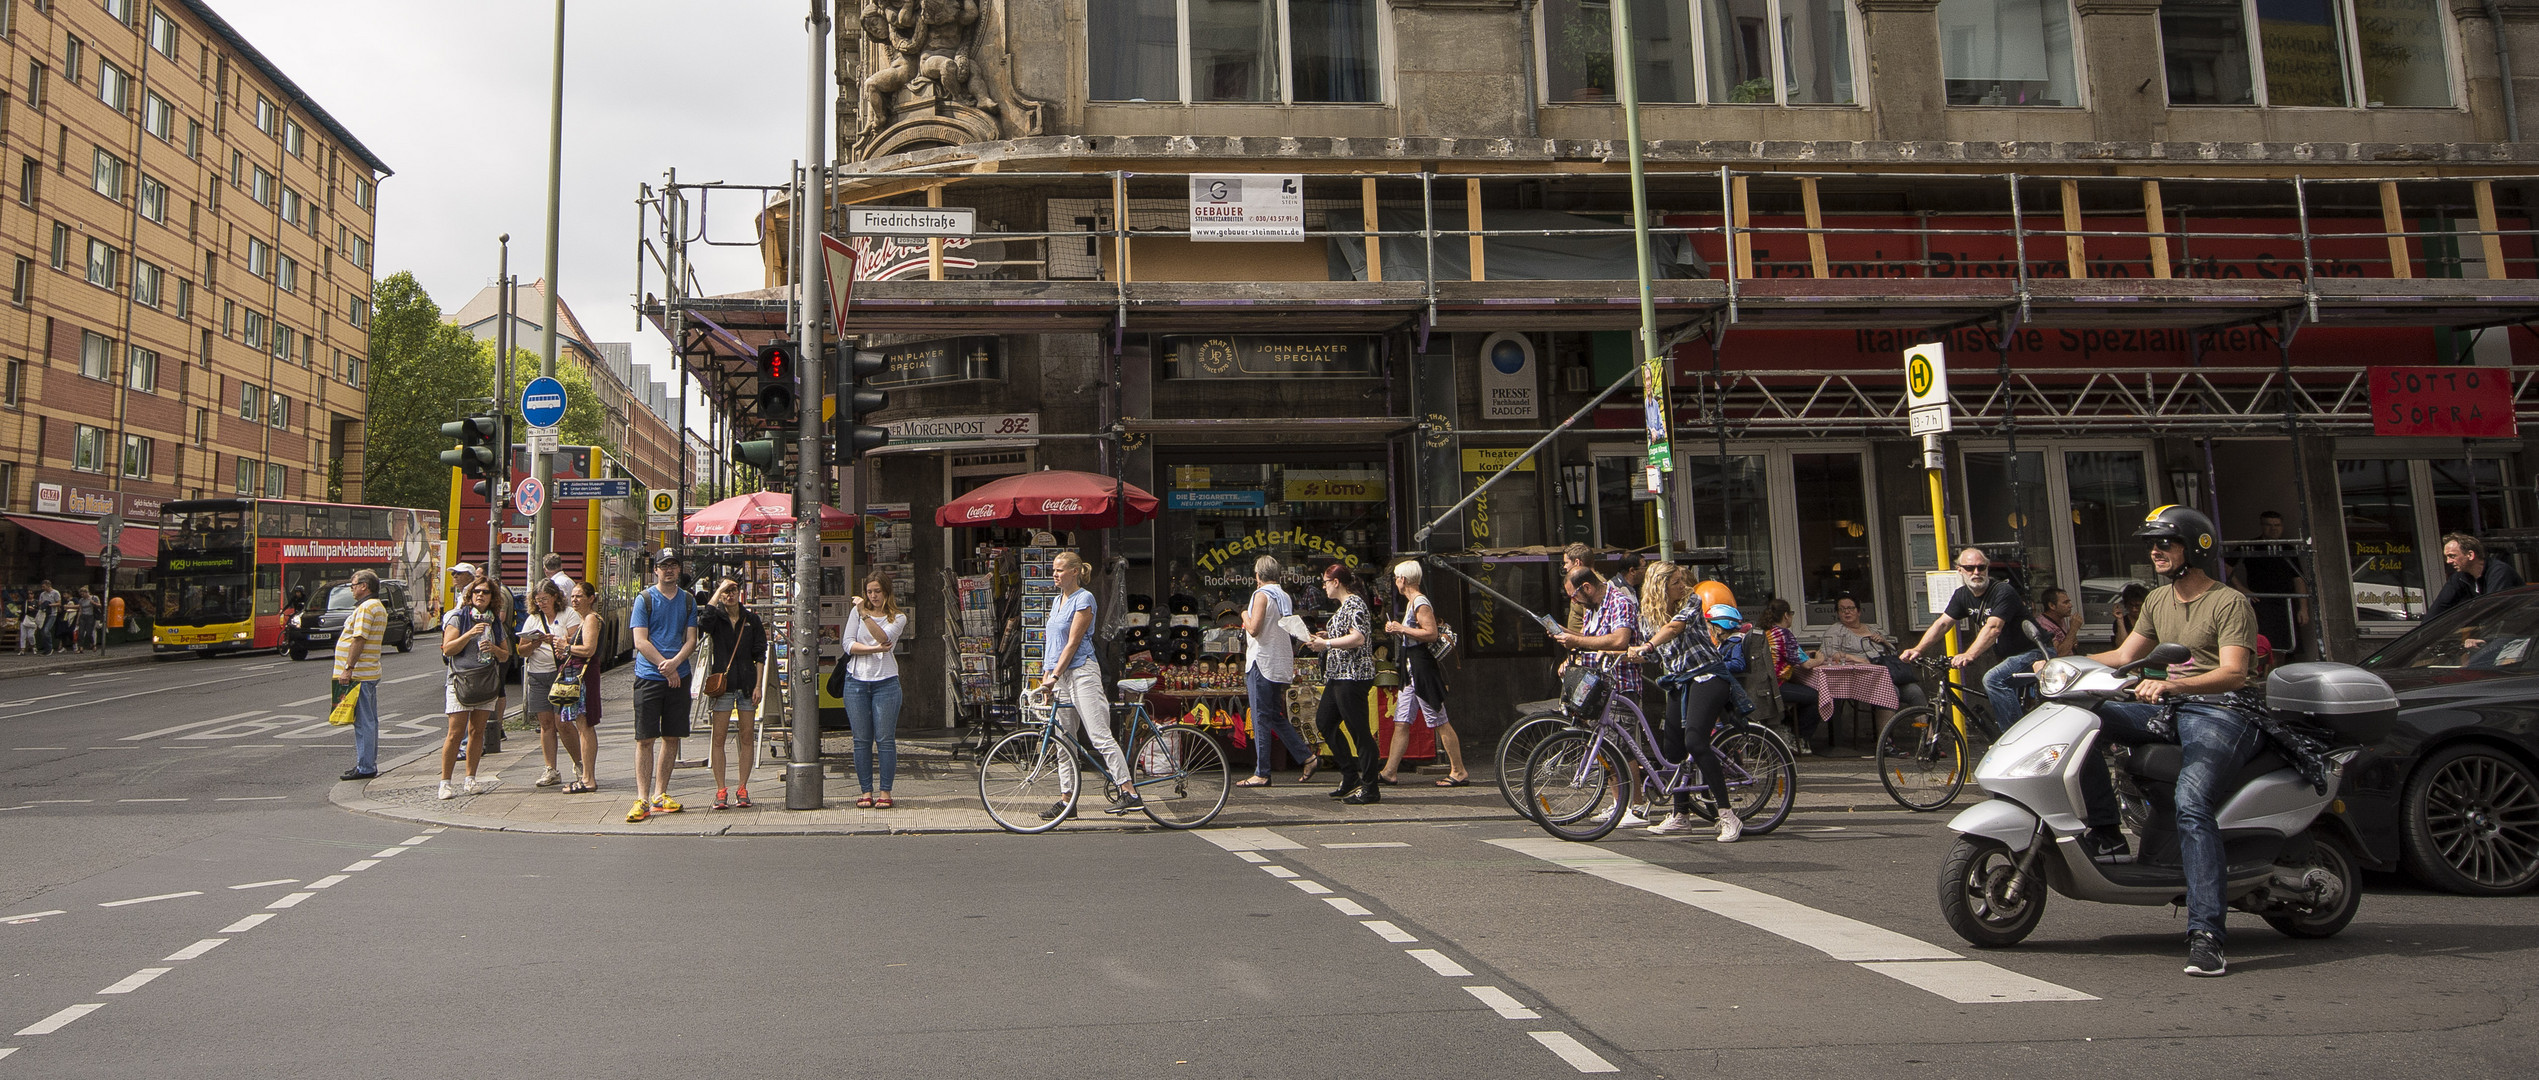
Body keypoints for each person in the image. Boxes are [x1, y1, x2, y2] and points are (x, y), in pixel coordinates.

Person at [2074, 505, 2262, 978]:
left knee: (2192, 803)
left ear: (2197, 547)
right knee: (2080, 717)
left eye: (2166, 543)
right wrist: (2062, 664)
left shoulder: (2228, 603)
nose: (2155, 551)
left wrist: (2175, 686)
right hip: (2167, 708)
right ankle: (2106, 830)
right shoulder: (2157, 601)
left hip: (2221, 712)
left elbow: (2235, 673)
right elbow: (2122, 656)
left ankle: (2207, 936)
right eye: (2151, 544)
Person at [1625, 572, 1747, 843]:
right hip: (1678, 682)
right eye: (1676, 582)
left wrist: (1645, 645)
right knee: (1673, 749)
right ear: (1660, 587)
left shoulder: (1691, 602)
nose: (1684, 585)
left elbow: (1673, 629)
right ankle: (1681, 816)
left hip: (1708, 676)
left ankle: (1727, 815)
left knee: (1696, 742)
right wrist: (1620, 655)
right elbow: (1654, 653)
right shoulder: (1647, 617)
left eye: (1681, 580)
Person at [1033, 550, 1138, 819]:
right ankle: (1067, 800)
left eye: (1059, 570)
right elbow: (1052, 645)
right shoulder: (1057, 601)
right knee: (1063, 738)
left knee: (1099, 734)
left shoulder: (1084, 599)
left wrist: (1054, 676)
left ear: (1075, 572)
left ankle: (1129, 791)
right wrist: (1048, 678)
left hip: (1081, 672)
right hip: (1060, 676)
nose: (1054, 574)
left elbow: (1073, 642)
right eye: (1053, 570)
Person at [1899, 548, 2039, 739]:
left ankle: (2014, 739)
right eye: (1970, 568)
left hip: (2034, 652)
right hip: (2008, 656)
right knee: (1997, 688)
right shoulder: (1962, 595)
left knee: (1993, 680)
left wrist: (1969, 654)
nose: (1976, 572)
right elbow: (1942, 623)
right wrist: (1918, 649)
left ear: (1987, 569)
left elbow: (1993, 628)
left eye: (1981, 567)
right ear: (1960, 570)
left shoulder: (2002, 592)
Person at [1380, 559, 1469, 786]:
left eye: (1396, 578)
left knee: (1439, 719)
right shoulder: (1411, 602)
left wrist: (1401, 628)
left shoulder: (1420, 602)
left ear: (1403, 579)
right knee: (1402, 721)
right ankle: (1389, 771)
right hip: (1412, 670)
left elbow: (1431, 633)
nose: (1395, 582)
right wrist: (1398, 630)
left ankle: (1458, 771)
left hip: (1422, 668)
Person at [627, 550, 700, 823]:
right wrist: (664, 666)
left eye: (673, 565)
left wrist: (676, 663)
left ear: (679, 569)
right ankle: (642, 798)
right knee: (645, 738)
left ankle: (660, 794)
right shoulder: (644, 599)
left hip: (678, 676)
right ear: (655, 570)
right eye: (663, 566)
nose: (668, 570)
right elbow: (640, 641)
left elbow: (691, 639)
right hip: (649, 676)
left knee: (672, 737)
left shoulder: (689, 601)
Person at [1236, 555, 1318, 788]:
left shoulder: (1261, 595)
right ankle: (1306, 756)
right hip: (1279, 662)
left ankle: (1262, 772)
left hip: (1261, 662)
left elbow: (1253, 629)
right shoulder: (1284, 596)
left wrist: (1243, 613)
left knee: (1261, 717)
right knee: (1273, 715)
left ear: (1258, 576)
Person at [1303, 563, 1380, 804]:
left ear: (1336, 582)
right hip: (1338, 675)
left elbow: (1358, 637)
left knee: (1359, 731)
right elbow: (1347, 633)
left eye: (1325, 582)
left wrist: (1326, 644)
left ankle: (1370, 787)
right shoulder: (1345, 606)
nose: (1323, 587)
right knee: (1325, 722)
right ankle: (1350, 776)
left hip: (1353, 675)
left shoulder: (1355, 603)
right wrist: (1328, 636)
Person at [830, 572, 903, 808]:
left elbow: (884, 638)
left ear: (887, 592)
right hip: (856, 681)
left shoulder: (898, 617)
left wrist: (865, 614)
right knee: (861, 739)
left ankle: (885, 791)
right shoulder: (855, 613)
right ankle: (865, 790)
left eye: (877, 592)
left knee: (885, 739)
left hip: (886, 682)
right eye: (869, 592)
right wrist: (874, 650)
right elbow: (848, 644)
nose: (873, 597)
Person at [438, 578, 513, 800]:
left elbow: (505, 654)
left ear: (492, 597)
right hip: (461, 680)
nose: (480, 595)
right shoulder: (458, 617)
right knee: (455, 732)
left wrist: (492, 648)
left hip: (486, 680)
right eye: (476, 591)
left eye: (485, 592)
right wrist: (469, 634)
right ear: (470, 595)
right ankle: (445, 782)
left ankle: (470, 778)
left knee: (476, 731)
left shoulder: (494, 622)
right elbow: (448, 649)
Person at [700, 577, 767, 810]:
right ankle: (721, 789)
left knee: (747, 736)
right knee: (718, 737)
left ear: (741, 592)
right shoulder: (717, 619)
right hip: (723, 686)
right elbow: (704, 622)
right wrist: (717, 592)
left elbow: (760, 654)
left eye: (733, 590)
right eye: (726, 591)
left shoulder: (752, 620)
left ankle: (742, 787)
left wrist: (758, 685)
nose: (730, 595)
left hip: (747, 685)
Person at [520, 581, 581, 791]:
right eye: (538, 601)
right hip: (538, 674)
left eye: (545, 599)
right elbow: (521, 651)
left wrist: (554, 640)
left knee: (562, 721)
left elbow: (575, 641)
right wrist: (533, 643)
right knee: (546, 723)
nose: (541, 604)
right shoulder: (532, 619)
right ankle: (550, 768)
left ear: (555, 597)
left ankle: (580, 763)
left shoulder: (569, 614)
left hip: (561, 673)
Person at [333, 570, 388, 782]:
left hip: (361, 674)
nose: (352, 589)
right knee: (369, 720)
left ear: (364, 586)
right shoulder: (376, 606)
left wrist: (348, 667)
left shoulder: (366, 608)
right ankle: (366, 763)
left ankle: (365, 766)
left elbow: (359, 639)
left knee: (363, 721)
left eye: (353, 585)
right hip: (367, 672)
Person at [2229, 510, 2308, 655]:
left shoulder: (2288, 549)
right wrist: (2241, 588)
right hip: (2261, 603)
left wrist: (2303, 608)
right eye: (2269, 525)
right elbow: (2224, 565)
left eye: (2277, 525)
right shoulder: (2250, 547)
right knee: (2265, 646)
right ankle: (2265, 675)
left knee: (2287, 647)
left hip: (2286, 605)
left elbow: (2298, 578)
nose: (2273, 528)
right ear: (2262, 526)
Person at [557, 580, 604, 793]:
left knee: (585, 726)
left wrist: (567, 647)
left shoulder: (591, 619)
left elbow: (588, 649)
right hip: (578, 676)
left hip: (583, 678)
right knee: (581, 725)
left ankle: (588, 779)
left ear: (590, 599)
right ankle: (586, 777)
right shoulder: (584, 619)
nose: (574, 600)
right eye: (572, 596)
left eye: (579, 596)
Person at [1759, 598, 1823, 754]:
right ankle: (1799, 738)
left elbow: (1789, 654)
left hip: (1762, 684)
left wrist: (1803, 654)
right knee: (1817, 697)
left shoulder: (1766, 632)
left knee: (1803, 694)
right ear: (1786, 615)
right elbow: (1807, 665)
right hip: (1777, 686)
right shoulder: (1784, 634)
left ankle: (1786, 728)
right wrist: (1820, 659)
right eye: (1792, 613)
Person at [2431, 532, 2526, 618]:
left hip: (2518, 628)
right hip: (2493, 629)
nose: (2448, 561)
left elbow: (2493, 608)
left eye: (2452, 556)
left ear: (2470, 555)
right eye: (2446, 557)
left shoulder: (2499, 571)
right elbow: (2440, 606)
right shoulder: (2460, 577)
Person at [2035, 587, 2079, 660]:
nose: (2070, 605)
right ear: (2052, 606)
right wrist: (2073, 629)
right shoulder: (2043, 625)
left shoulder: (2060, 618)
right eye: (2065, 602)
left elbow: (2069, 642)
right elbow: (2059, 654)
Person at [1561, 543, 1595, 635]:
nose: (1564, 567)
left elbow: (1588, 628)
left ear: (1577, 562)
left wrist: (1575, 639)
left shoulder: (1592, 586)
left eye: (1566, 563)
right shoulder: (1580, 584)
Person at [34, 580, 58, 655]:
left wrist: (50, 605)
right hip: (44, 614)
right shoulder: (42, 594)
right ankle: (46, 648)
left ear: (48, 585)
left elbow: (59, 603)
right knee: (42, 631)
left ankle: (50, 648)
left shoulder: (55, 593)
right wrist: (41, 605)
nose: (42, 588)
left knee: (46, 630)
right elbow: (40, 602)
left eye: (44, 586)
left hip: (52, 614)